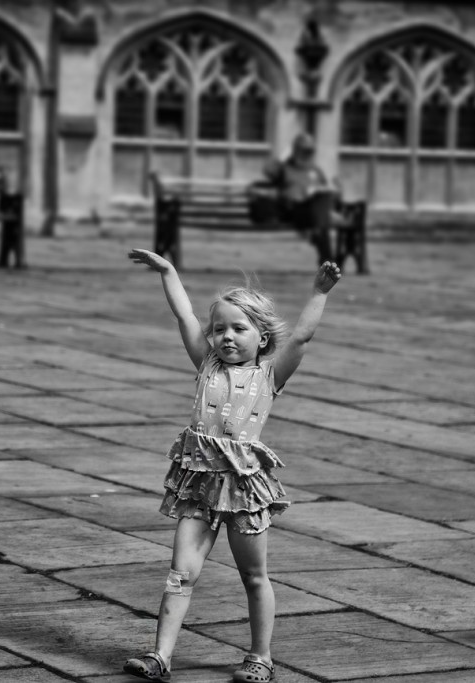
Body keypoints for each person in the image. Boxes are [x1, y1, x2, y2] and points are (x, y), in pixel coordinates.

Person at [123, 248, 342, 683]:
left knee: (254, 576)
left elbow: (300, 339)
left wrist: (319, 293)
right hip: (198, 484)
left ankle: (261, 657)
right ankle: (161, 656)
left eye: (239, 329)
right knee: (180, 573)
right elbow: (185, 316)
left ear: (261, 338)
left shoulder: (269, 376)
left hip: (243, 488)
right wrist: (168, 271)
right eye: (219, 328)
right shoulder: (205, 363)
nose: (226, 337)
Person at [263, 132, 336, 264]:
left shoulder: (315, 169)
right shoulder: (285, 168)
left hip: (314, 210)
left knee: (320, 211)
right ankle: (327, 258)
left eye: (309, 151)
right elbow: (268, 171)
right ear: (295, 151)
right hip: (293, 208)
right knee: (320, 222)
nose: (307, 154)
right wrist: (282, 157)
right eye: (304, 150)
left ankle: (325, 256)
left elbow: (325, 187)